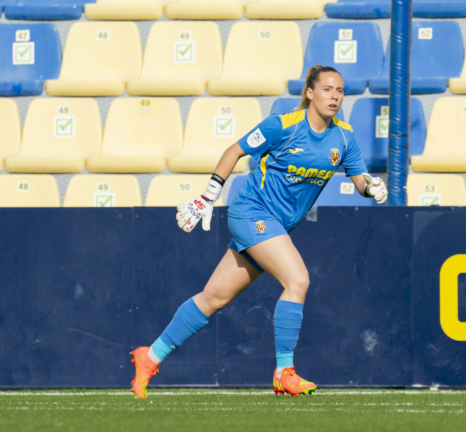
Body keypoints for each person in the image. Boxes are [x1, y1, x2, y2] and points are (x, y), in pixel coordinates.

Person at [129, 65, 388, 399]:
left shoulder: (344, 137)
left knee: (214, 297)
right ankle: (284, 372)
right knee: (298, 280)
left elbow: (360, 181)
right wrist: (208, 197)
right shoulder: (282, 125)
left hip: (275, 226)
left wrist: (373, 188)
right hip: (251, 212)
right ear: (310, 92)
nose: (334, 96)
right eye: (327, 89)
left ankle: (148, 357)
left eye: (339, 91)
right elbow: (234, 151)